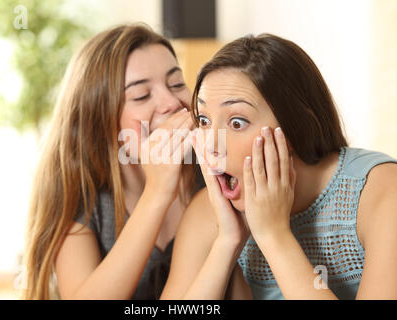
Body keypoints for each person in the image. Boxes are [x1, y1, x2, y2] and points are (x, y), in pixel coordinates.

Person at [160, 34, 397, 300]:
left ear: (295, 130)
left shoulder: (382, 192)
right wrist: (227, 242)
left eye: (236, 123)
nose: (211, 145)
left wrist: (274, 235)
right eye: (203, 120)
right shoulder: (209, 212)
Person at [22, 24, 204, 300]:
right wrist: (157, 193)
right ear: (101, 121)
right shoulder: (82, 195)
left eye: (177, 83)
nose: (172, 102)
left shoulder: (213, 174)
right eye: (142, 95)